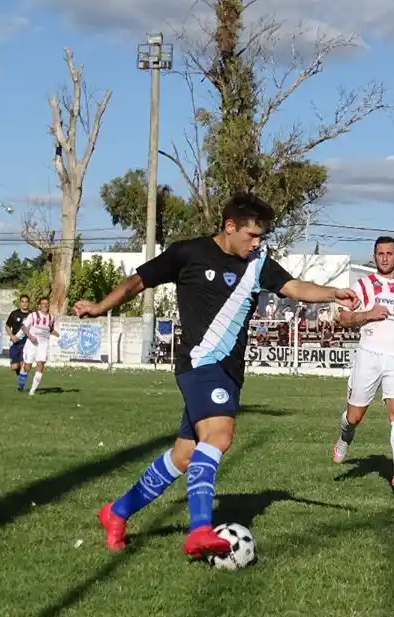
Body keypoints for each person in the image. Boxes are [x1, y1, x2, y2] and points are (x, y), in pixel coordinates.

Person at [73, 192, 357, 557]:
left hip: (229, 372)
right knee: (220, 436)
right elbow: (137, 282)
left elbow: (294, 287)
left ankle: (116, 512)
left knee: (184, 456)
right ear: (229, 226)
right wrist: (99, 307)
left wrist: (334, 293)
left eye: (261, 237)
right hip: (200, 363)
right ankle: (200, 530)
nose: (257, 243)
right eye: (251, 236)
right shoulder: (187, 253)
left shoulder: (258, 264)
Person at [332, 236, 394, 493]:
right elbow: (343, 318)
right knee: (354, 417)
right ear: (375, 257)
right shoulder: (363, 286)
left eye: (389, 253)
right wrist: (368, 315)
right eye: (380, 253)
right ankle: (344, 437)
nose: (385, 258)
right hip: (370, 355)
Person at [17, 296, 58, 395]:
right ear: (39, 305)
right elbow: (24, 327)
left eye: (47, 304)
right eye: (43, 304)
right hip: (31, 344)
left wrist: (59, 335)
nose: (45, 305)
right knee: (27, 367)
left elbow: (50, 329)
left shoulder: (51, 318)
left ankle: (32, 391)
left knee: (40, 364)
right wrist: (30, 337)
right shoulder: (33, 315)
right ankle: (22, 378)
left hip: (43, 345)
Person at [5, 294, 30, 378]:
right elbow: (7, 326)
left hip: (26, 343)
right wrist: (12, 336)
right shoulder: (14, 314)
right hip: (15, 342)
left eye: (26, 302)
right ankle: (18, 371)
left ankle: (21, 382)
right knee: (15, 366)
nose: (25, 304)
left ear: (28, 303)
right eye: (23, 302)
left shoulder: (32, 315)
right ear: (20, 303)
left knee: (23, 365)